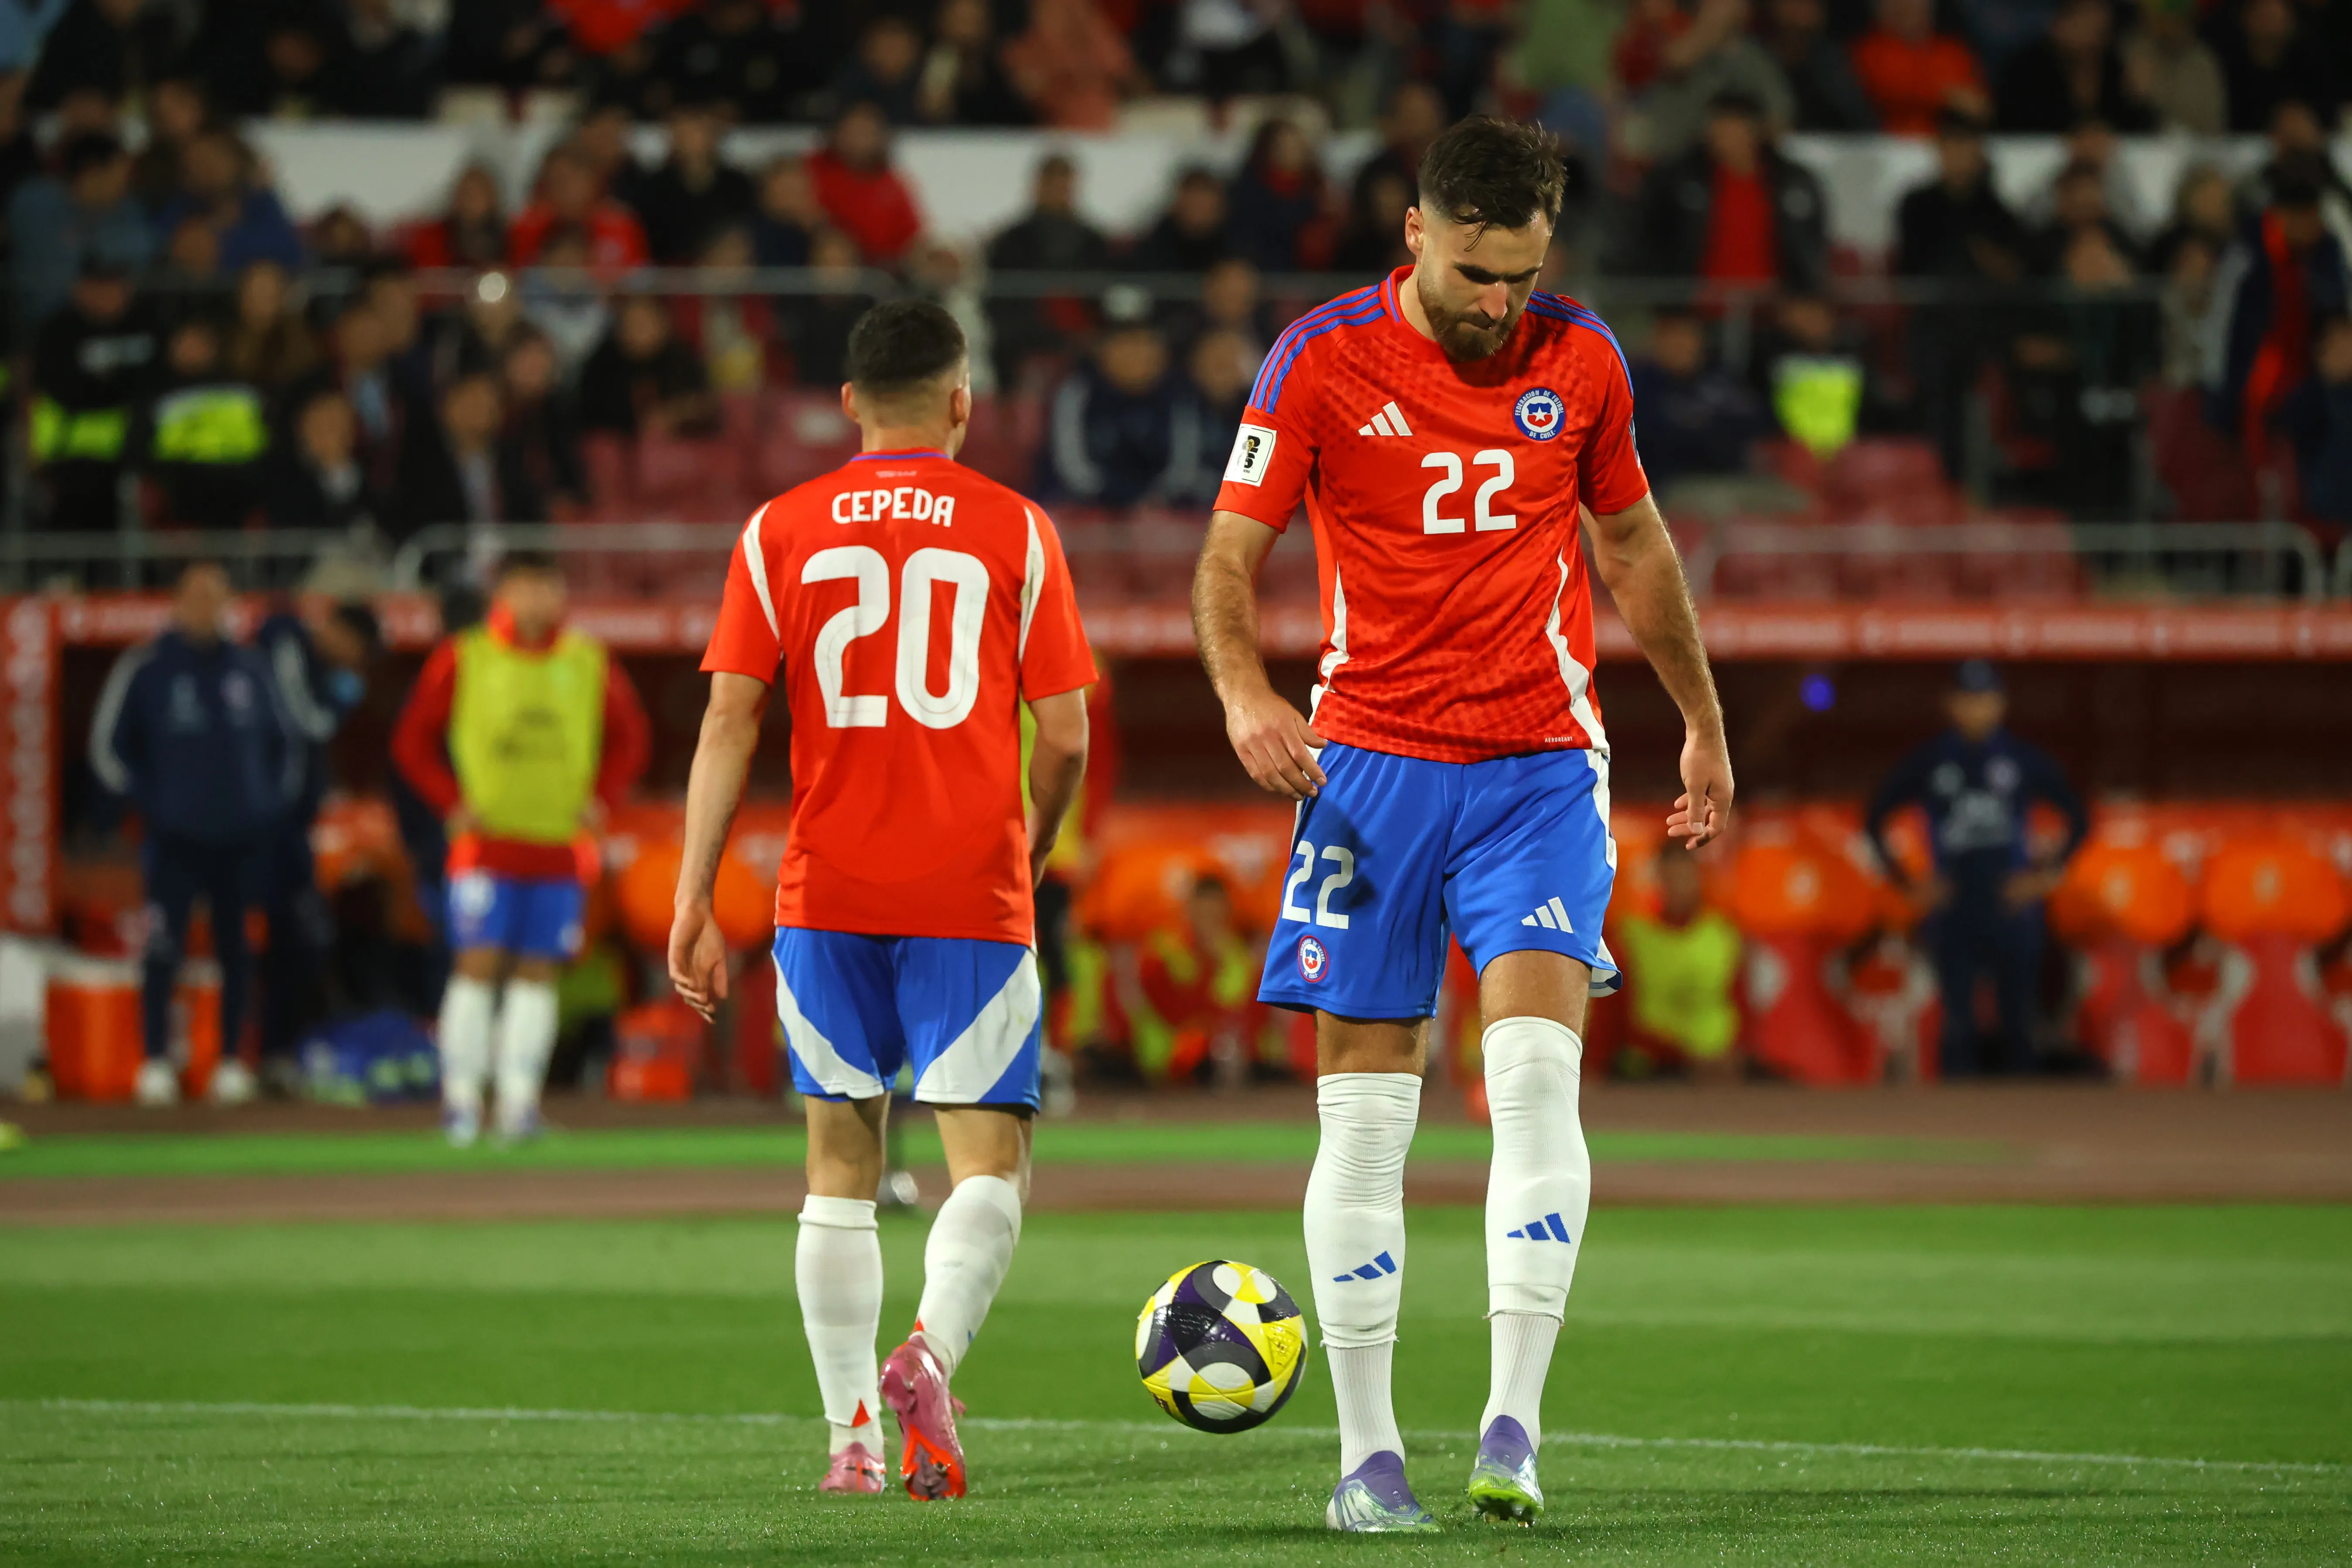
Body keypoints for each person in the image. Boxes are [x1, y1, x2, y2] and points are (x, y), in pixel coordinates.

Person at [1190, 116, 1732, 1531]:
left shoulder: (1582, 358)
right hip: (1365, 770)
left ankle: (1513, 1426)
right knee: (1367, 1115)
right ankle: (1367, 1458)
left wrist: (1700, 715)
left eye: (1521, 277)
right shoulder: (1316, 358)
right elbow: (1228, 554)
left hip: (1537, 768)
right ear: (1416, 232)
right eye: (1474, 275)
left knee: (1537, 1085)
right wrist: (1244, 691)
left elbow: (1632, 545)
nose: (1498, 305)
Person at [669, 299, 1094, 1500]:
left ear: (849, 402)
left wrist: (695, 894)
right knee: (989, 1164)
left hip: (826, 885)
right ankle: (929, 1352)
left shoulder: (777, 528)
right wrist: (1036, 837)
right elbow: (1065, 731)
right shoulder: (1017, 528)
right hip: (967, 883)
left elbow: (727, 719)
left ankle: (850, 1440)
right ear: (962, 401)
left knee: (837, 1162)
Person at [393, 553, 650, 1144]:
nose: (536, 600)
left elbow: (631, 738)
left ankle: (518, 1105)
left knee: (538, 972)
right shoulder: (465, 655)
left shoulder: (588, 659)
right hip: (485, 844)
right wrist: (450, 801)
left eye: (546, 588)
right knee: (477, 964)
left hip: (560, 844)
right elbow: (411, 741)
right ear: (502, 595)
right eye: (524, 587)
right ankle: (461, 1104)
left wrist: (603, 799)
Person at [90, 561, 298, 1108]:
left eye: (216, 598)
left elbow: (286, 746)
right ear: (177, 604)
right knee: (163, 949)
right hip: (174, 840)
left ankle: (231, 1062)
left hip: (241, 839)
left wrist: (263, 808)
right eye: (196, 598)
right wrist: (154, 805)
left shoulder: (252, 667)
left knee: (238, 952)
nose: (207, 609)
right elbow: (109, 749)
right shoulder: (147, 666)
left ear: (230, 605)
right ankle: (156, 1061)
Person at [1866, 661, 2084, 1078]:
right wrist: (1908, 882)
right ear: (1951, 704)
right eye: (1967, 699)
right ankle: (1956, 1113)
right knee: (1957, 1026)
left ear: (2001, 704)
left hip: (2011, 906)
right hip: (1954, 906)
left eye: (1985, 699)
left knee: (2019, 1024)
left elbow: (2078, 815)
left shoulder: (2020, 758)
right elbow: (1876, 817)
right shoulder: (1932, 760)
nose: (1976, 709)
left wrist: (2043, 875)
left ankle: (2024, 1112)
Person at [253, 591, 381, 1083]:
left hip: (291, 827)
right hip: (259, 825)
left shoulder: (317, 665)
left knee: (304, 938)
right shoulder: (286, 643)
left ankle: (279, 1051)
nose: (355, 663)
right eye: (357, 649)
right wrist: (339, 694)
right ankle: (245, 1053)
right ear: (338, 628)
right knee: (265, 938)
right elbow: (307, 719)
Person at [1622, 90, 1830, 293]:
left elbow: (1810, 247)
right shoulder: (1677, 181)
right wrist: (1670, 305)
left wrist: (1806, 297)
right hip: (1697, 308)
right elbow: (1652, 244)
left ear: (1756, 129)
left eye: (1734, 126)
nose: (1723, 134)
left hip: (1773, 307)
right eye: (1718, 124)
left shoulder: (1792, 183)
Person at [31, 252, 162, 534]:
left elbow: (157, 382)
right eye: (100, 286)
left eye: (116, 284)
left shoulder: (149, 323)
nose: (110, 294)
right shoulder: (57, 331)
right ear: (80, 289)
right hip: (73, 450)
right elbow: (67, 391)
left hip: (143, 448)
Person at [1614, 849, 1742, 1080]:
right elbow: (1616, 1014)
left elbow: (1742, 1004)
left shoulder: (1724, 934)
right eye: (1670, 879)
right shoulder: (1634, 936)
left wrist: (1735, 1055)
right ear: (1658, 882)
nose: (1677, 888)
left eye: (1685, 879)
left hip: (1717, 1063)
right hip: (1653, 1065)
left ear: (1699, 880)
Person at [1849, 0, 1989, 135]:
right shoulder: (1869, 50)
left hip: (1946, 142)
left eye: (1914, 4)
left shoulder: (1952, 52)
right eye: (1897, 4)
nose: (1906, 10)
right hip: (1885, 143)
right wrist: (1945, 95)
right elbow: (1888, 91)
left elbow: (1979, 106)